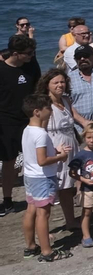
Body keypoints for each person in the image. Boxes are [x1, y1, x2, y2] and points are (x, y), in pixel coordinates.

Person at [21, 93, 71, 261]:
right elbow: (42, 161)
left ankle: (30, 246)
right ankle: (47, 251)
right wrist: (60, 156)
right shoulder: (41, 134)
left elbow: (35, 153)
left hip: (30, 176)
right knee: (43, 214)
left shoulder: (27, 130)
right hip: (42, 178)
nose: (50, 111)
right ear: (37, 112)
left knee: (31, 210)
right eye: (48, 108)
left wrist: (54, 150)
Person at [2, 36, 42, 213]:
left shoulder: (31, 65)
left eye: (33, 52)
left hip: (30, 119)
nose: (31, 55)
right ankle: (7, 199)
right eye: (28, 53)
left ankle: (40, 193)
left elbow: (39, 88)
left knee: (38, 156)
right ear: (15, 53)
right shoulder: (2, 70)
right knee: (9, 161)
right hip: (6, 121)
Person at [39, 68, 77, 232]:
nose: (60, 85)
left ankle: (71, 221)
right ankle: (43, 230)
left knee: (67, 187)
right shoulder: (45, 105)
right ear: (47, 85)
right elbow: (40, 131)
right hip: (55, 147)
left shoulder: (66, 100)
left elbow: (76, 117)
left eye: (62, 82)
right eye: (56, 82)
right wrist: (53, 150)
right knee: (50, 190)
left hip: (70, 146)